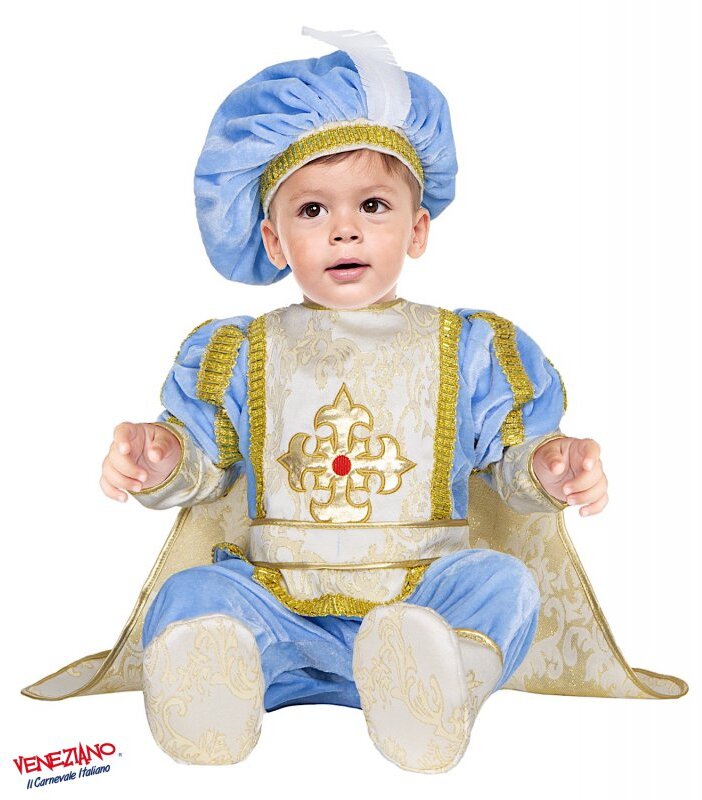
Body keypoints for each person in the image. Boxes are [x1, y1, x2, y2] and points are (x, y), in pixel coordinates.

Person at [99, 27, 608, 772]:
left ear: (417, 228)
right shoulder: (243, 351)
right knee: (192, 592)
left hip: (422, 599)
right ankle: (214, 686)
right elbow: (205, 463)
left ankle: (440, 684)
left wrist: (549, 467)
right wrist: (161, 458)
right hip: (280, 601)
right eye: (312, 211)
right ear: (274, 241)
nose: (344, 229)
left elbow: (508, 463)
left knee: (504, 583)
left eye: (372, 204)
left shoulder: (467, 348)